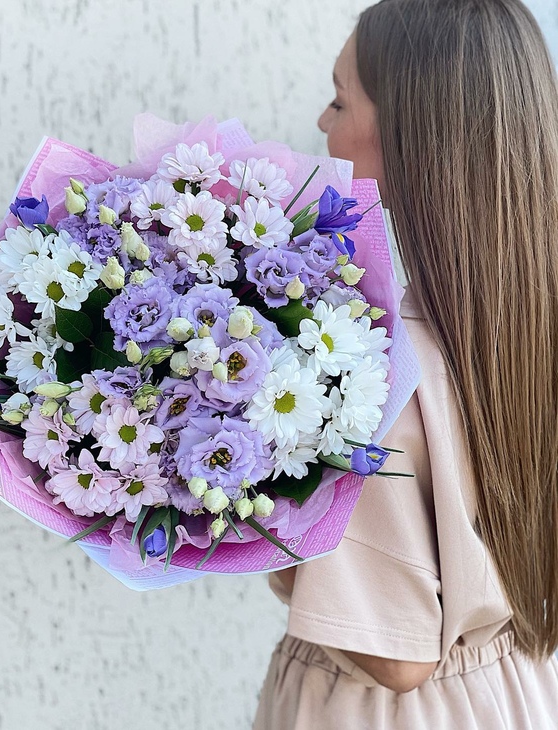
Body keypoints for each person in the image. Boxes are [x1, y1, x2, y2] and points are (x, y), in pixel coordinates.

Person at [253, 0, 558, 727]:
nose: (323, 124)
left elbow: (397, 656)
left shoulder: (373, 364)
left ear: (410, 135)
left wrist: (241, 477)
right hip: (516, 690)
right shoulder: (527, 324)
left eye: (339, 98)